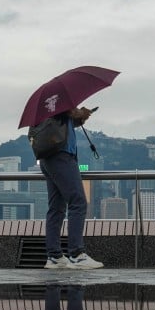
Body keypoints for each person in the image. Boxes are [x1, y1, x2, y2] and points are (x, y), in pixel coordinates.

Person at [40, 107, 103, 270]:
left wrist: (79, 119)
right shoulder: (59, 103)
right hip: (62, 156)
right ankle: (77, 254)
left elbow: (63, 123)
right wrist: (78, 113)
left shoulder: (48, 106)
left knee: (56, 208)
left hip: (48, 158)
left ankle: (54, 257)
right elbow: (68, 115)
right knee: (78, 202)